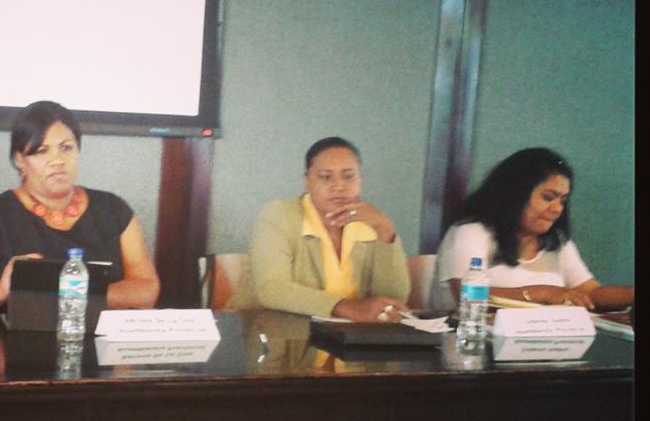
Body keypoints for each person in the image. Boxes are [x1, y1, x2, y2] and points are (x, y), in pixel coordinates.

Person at [0, 100, 159, 312]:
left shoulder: (113, 210)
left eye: (66, 148)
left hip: (103, 335)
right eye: (42, 151)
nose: (58, 160)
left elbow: (146, 289)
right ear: (20, 159)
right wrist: (3, 288)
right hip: (13, 336)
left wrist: (73, 295)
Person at [229, 137, 410, 322]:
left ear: (360, 180)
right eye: (325, 177)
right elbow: (272, 289)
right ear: (307, 181)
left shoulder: (369, 222)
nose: (339, 186)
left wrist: (384, 230)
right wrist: (347, 307)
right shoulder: (279, 215)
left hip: (347, 335)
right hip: (273, 331)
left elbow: (393, 300)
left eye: (348, 176)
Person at [432, 147, 634, 313]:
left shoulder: (557, 241)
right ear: (515, 194)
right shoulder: (471, 232)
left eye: (562, 200)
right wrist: (543, 293)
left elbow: (590, 292)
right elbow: (466, 295)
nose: (557, 209)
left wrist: (632, 295)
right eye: (548, 197)